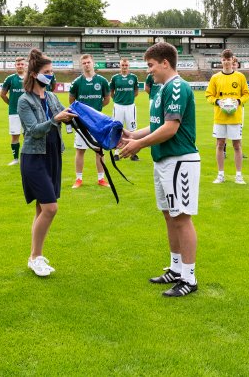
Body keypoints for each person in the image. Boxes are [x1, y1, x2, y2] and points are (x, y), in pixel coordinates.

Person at [119, 42, 200, 297]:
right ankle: (176, 269)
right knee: (169, 215)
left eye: (151, 65)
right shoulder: (162, 88)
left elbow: (170, 128)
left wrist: (138, 145)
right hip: (164, 160)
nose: (149, 71)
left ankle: (189, 277)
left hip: (179, 160)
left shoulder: (177, 86)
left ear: (165, 63)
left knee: (182, 218)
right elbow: (156, 125)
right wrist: (132, 134)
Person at [18, 49, 75, 277]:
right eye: (46, 72)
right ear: (33, 74)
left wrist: (76, 115)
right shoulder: (24, 100)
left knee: (42, 208)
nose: (50, 76)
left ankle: (36, 255)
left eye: (51, 72)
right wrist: (56, 120)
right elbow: (33, 131)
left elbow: (65, 113)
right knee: (51, 208)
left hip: (53, 155)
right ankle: (34, 257)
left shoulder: (50, 96)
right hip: (34, 157)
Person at [205, 49, 249, 184]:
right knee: (220, 144)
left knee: (236, 145)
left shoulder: (240, 77)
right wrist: (218, 101)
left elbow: (247, 94)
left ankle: (238, 175)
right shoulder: (215, 78)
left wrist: (238, 101)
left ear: (233, 60)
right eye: (224, 60)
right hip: (219, 117)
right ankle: (220, 175)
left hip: (235, 117)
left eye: (228, 59)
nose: (226, 62)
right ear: (221, 61)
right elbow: (208, 95)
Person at [68, 54, 111, 188]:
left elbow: (107, 99)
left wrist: (94, 113)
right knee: (80, 151)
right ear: (81, 65)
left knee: (99, 150)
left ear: (93, 63)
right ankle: (79, 179)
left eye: (89, 62)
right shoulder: (77, 82)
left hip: (97, 122)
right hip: (81, 123)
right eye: (84, 63)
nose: (87, 64)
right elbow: (72, 101)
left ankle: (101, 179)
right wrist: (83, 114)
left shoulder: (102, 81)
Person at [110, 58, 140, 161]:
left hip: (130, 107)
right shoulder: (115, 78)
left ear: (128, 66)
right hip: (118, 106)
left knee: (132, 130)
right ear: (120, 66)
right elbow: (112, 92)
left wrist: (128, 99)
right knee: (117, 128)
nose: (124, 67)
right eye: (122, 65)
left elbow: (136, 91)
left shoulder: (133, 77)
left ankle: (133, 153)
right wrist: (118, 100)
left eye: (126, 65)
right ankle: (116, 153)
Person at [0, 58, 27, 165]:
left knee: (28, 136)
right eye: (18, 64)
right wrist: (11, 103)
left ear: (25, 65)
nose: (20, 66)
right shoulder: (10, 79)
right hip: (14, 112)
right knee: (15, 135)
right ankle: (16, 159)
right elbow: (2, 94)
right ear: (15, 66)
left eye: (22, 64)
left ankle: (27, 158)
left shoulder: (30, 78)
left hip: (28, 112)